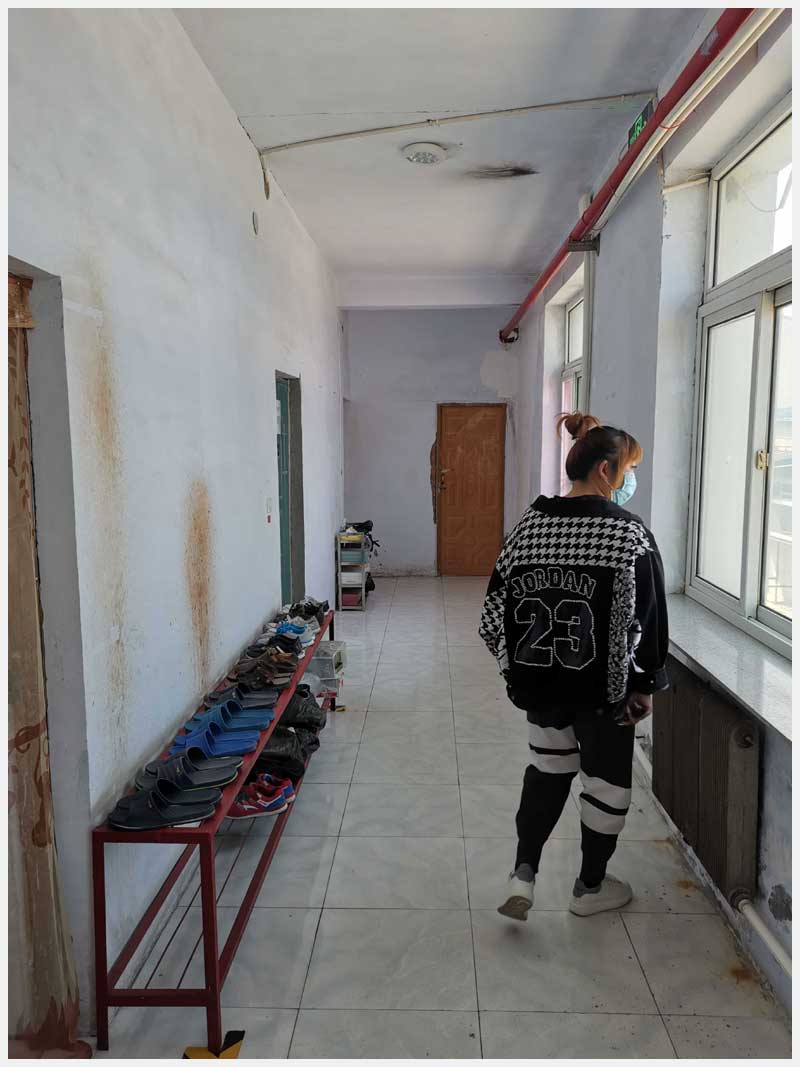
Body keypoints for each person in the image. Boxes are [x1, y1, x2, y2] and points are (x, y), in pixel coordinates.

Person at [479, 412, 669, 920]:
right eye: (629, 469)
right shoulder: (627, 534)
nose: (630, 480)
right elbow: (649, 619)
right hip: (604, 696)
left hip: (540, 689)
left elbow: (492, 617)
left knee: (547, 770)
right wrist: (645, 685)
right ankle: (589, 888)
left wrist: (519, 672)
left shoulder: (528, 526)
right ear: (606, 470)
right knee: (605, 787)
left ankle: (523, 874)